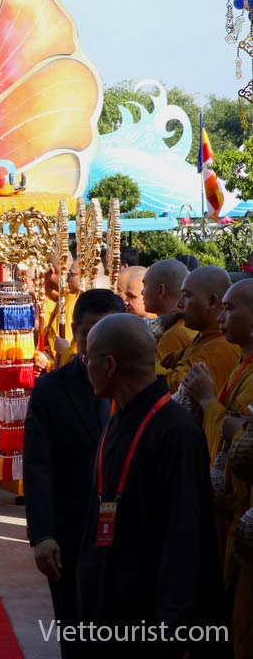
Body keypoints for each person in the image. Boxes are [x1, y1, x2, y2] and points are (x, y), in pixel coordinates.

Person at [78, 313, 229, 655]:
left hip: (149, 618)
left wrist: (172, 628)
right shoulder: (120, 418)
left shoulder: (174, 431)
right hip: (111, 605)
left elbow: (185, 534)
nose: (85, 367)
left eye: (88, 359)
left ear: (110, 365)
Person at [24, 289, 125, 658]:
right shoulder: (52, 389)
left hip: (132, 535)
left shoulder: (147, 386)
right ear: (75, 331)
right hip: (72, 534)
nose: (97, 347)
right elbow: (38, 465)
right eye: (88, 336)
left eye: (108, 335)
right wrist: (42, 534)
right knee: (77, 633)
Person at [183, 279, 253, 656]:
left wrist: (209, 401)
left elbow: (243, 445)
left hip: (240, 515)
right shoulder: (242, 364)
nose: (222, 317)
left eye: (230, 309)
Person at [162, 266, 240, 393]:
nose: (179, 304)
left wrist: (141, 354)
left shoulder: (223, 347)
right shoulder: (203, 336)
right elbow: (169, 361)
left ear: (211, 301)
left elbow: (175, 388)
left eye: (186, 296)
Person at [142, 259, 195, 363]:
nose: (142, 292)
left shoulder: (174, 336)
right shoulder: (183, 326)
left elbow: (154, 375)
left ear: (161, 290)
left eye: (145, 286)